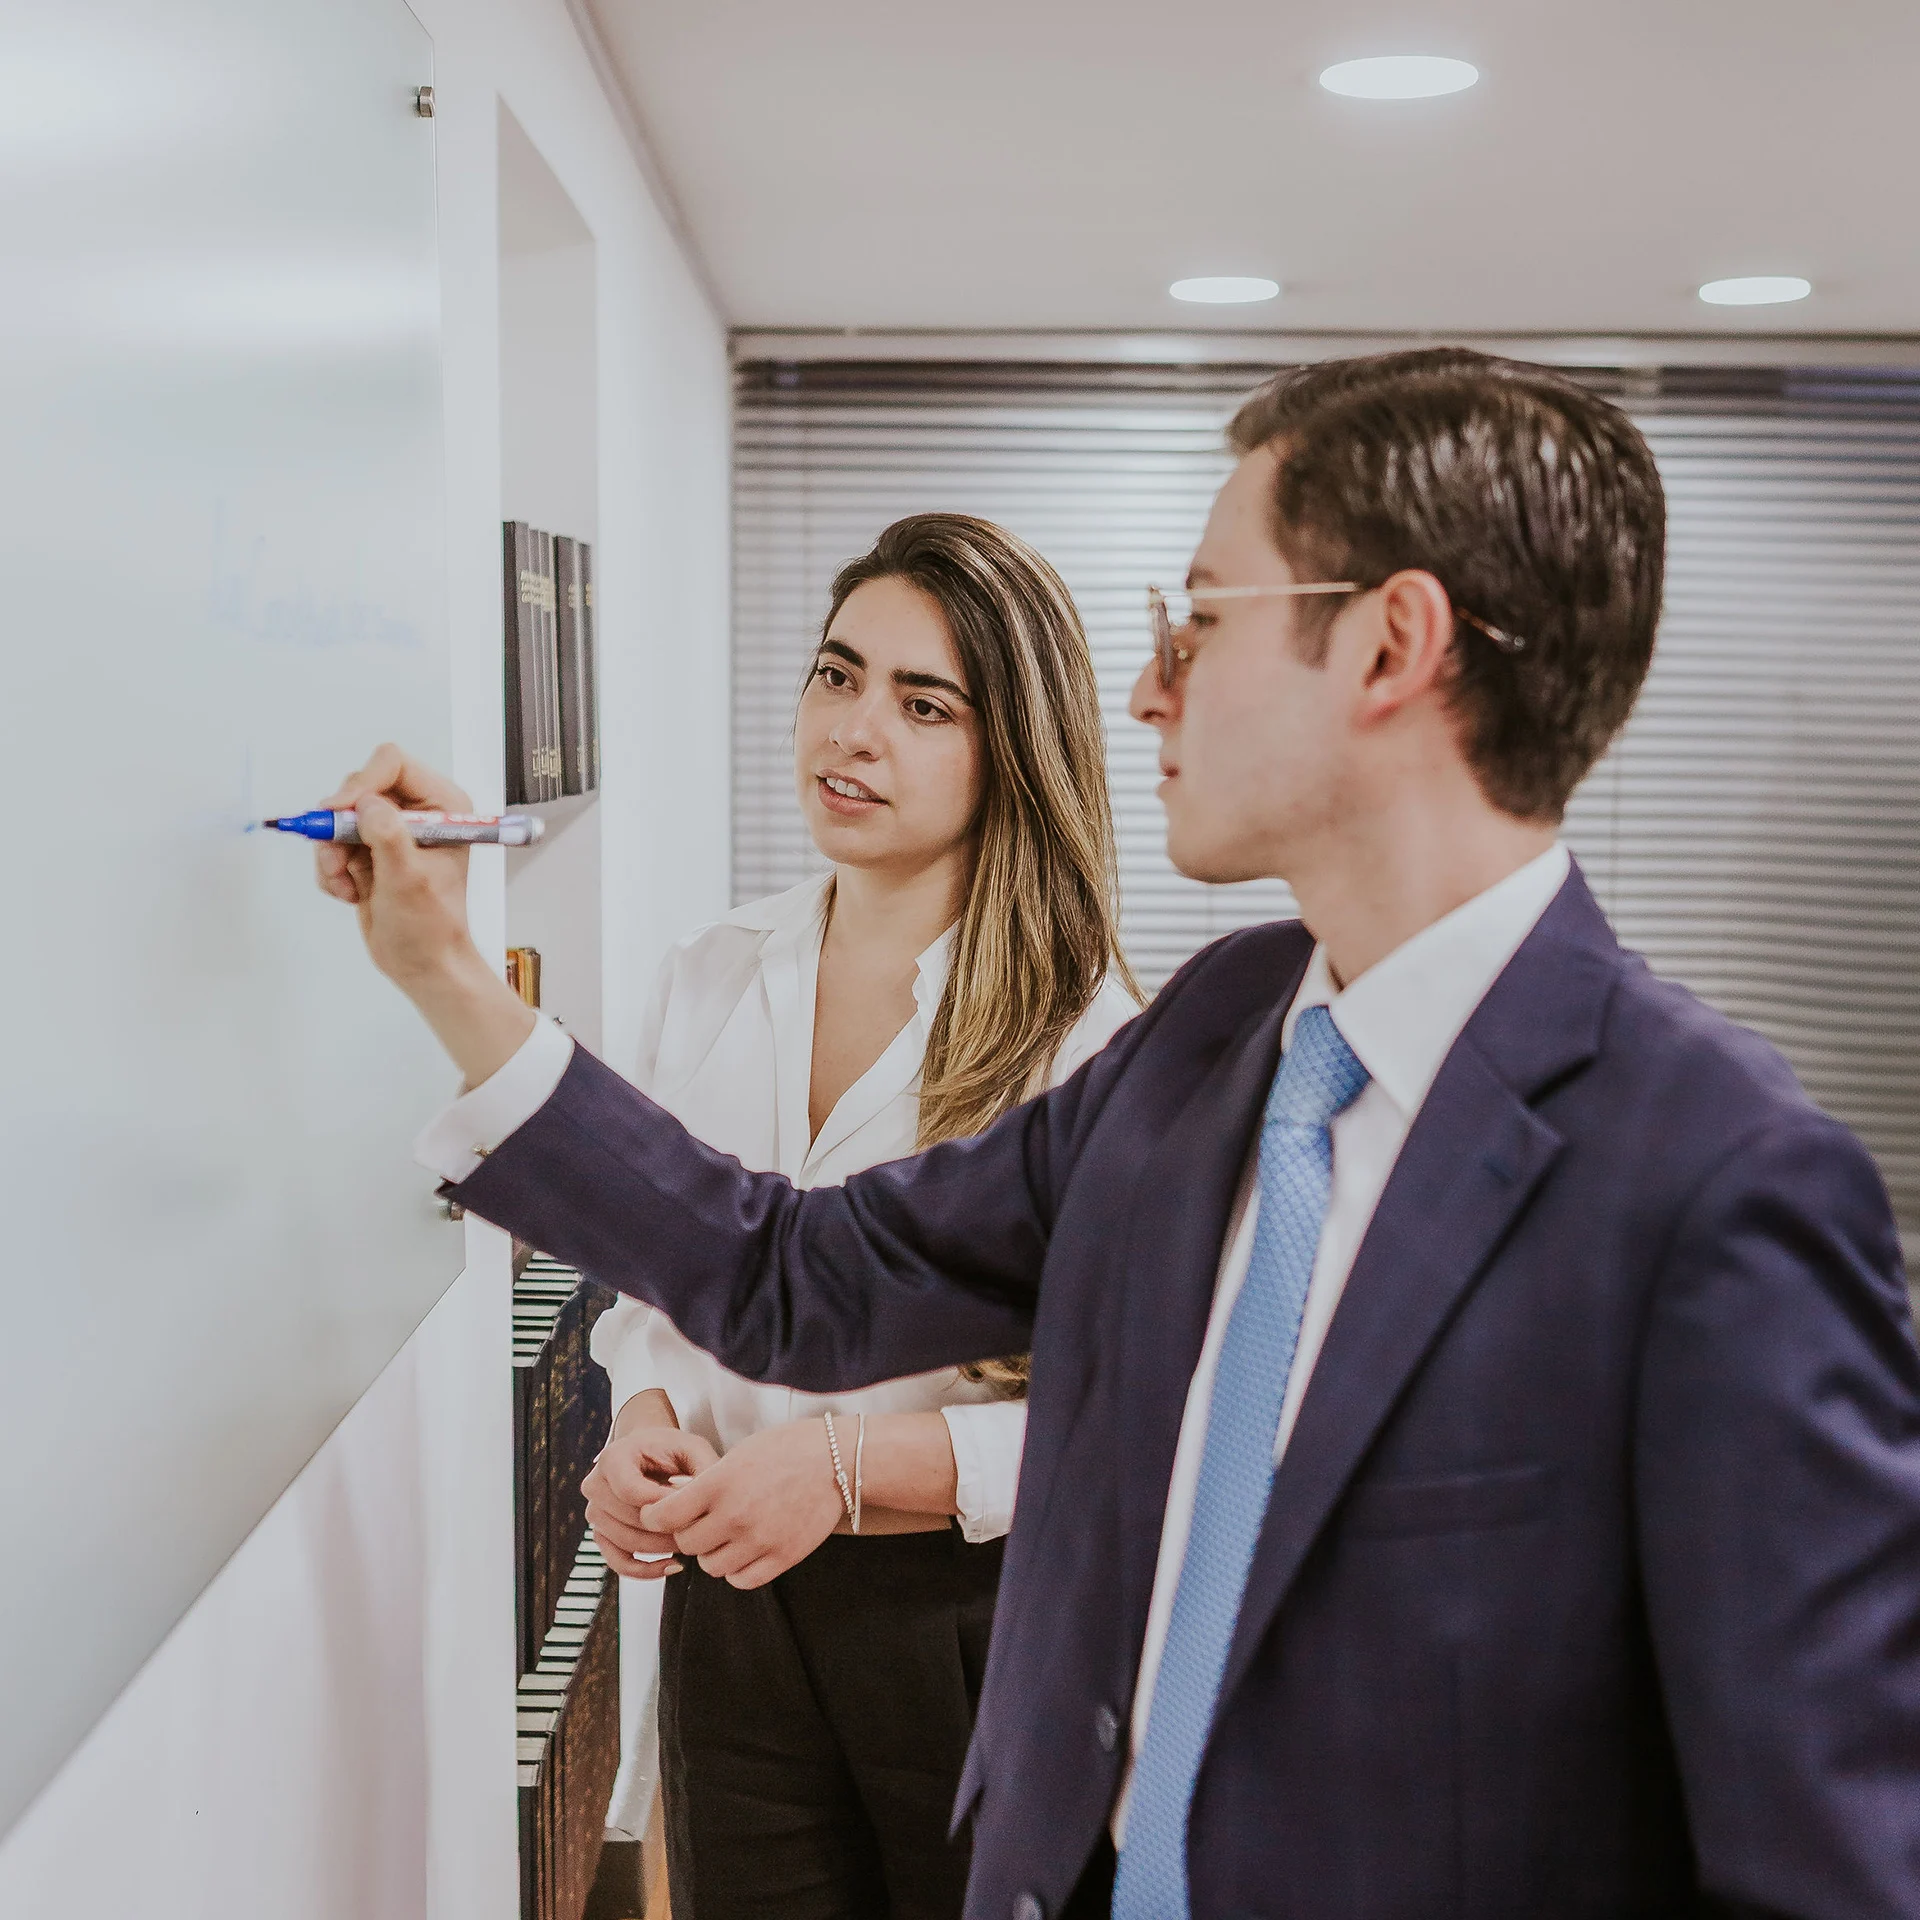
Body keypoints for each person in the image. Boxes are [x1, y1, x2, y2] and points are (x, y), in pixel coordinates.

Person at [318, 348, 1920, 1920]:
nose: (1150, 686)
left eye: (1203, 620)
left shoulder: (1719, 1181)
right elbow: (794, 1275)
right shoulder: (1224, 1031)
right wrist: (449, 972)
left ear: (1392, 647)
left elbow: (1816, 1862)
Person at [568, 513, 1138, 1918]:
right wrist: (638, 1422)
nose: (854, 730)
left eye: (920, 701)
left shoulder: (1090, 1041)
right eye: (837, 676)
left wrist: (846, 1466)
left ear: (1013, 745)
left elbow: (1131, 1418)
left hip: (966, 1625)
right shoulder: (708, 973)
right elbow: (659, 1288)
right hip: (730, 1611)